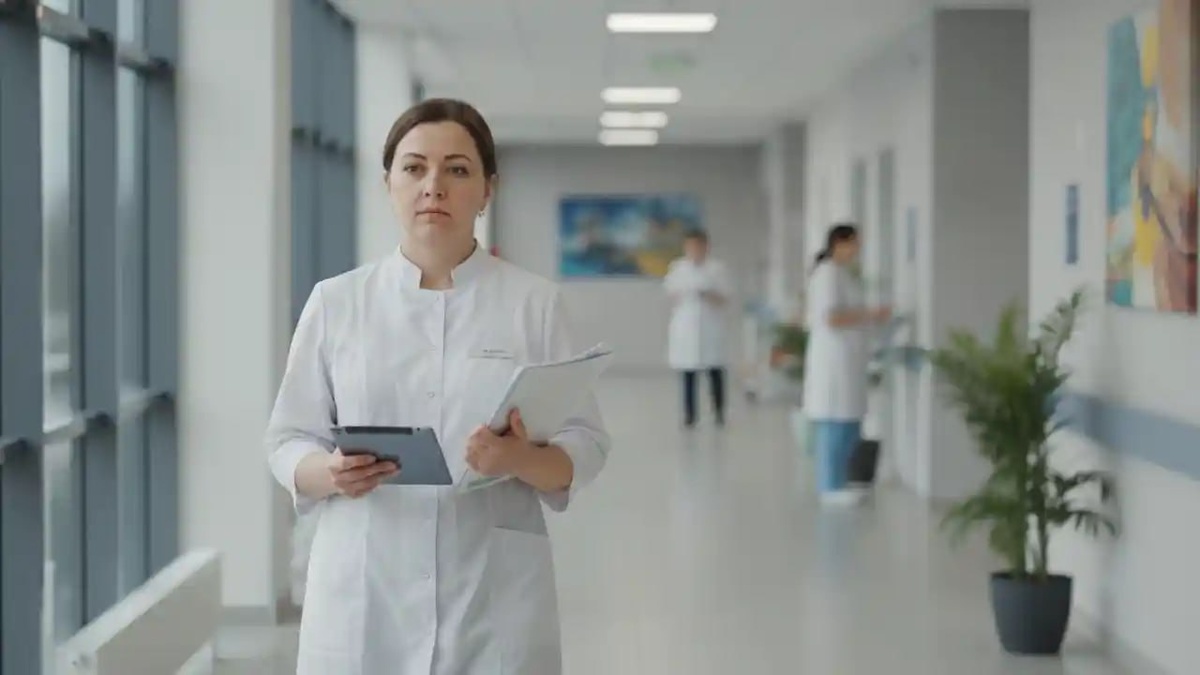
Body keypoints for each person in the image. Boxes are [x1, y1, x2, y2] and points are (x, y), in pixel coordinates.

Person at [264, 98, 610, 675]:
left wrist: (519, 458)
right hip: (365, 586)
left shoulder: (534, 304)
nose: (434, 186)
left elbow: (587, 443)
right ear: (389, 184)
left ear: (487, 189)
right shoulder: (336, 302)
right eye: (414, 167)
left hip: (490, 590)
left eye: (457, 169)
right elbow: (286, 439)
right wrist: (329, 472)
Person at [802, 223, 889, 505]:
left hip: (847, 361)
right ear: (839, 243)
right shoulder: (827, 274)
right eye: (854, 243)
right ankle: (829, 486)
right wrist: (869, 315)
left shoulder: (842, 274)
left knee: (849, 421)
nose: (858, 249)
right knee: (834, 423)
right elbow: (831, 318)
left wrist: (868, 318)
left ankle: (841, 481)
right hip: (833, 361)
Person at [664, 229, 734, 427]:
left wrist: (707, 293)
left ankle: (719, 412)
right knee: (688, 372)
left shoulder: (717, 269)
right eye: (691, 246)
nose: (695, 250)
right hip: (686, 327)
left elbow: (725, 298)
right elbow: (670, 294)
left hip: (710, 326)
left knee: (715, 371)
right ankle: (689, 415)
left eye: (699, 246)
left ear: (706, 246)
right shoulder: (678, 268)